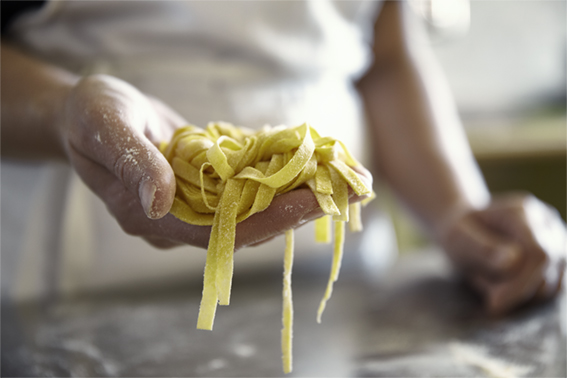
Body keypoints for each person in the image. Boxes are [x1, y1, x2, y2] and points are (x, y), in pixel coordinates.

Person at [1, 1, 564, 315]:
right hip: (87, 290)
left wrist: (458, 211)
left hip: (338, 287)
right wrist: (61, 111)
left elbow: (385, 55)